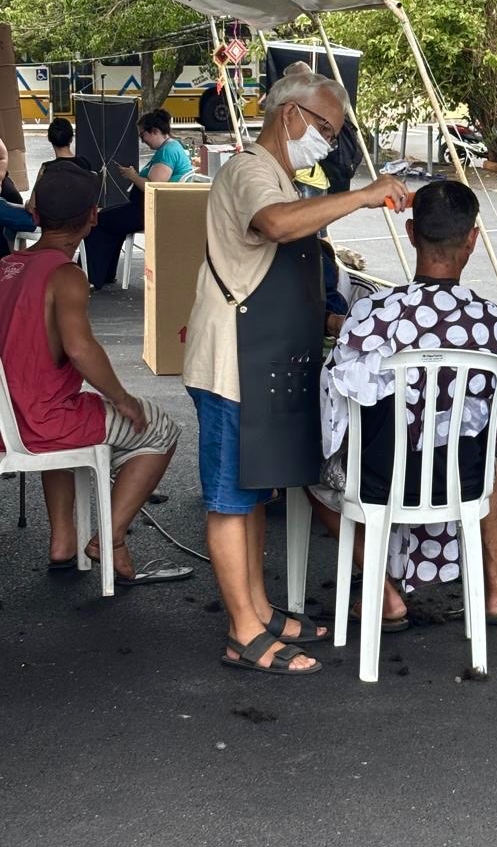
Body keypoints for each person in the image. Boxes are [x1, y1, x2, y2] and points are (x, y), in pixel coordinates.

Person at [182, 71, 409, 676]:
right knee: (230, 500)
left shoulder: (280, 177)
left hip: (260, 359)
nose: (328, 143)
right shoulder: (249, 171)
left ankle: (259, 608)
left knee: (254, 491)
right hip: (231, 361)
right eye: (325, 129)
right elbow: (278, 225)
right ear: (289, 116)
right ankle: (243, 633)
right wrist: (364, 194)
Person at [310, 180, 497, 627]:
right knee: (489, 453)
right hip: (463, 483)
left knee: (309, 474)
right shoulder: (493, 322)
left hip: (381, 483)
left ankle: (385, 594)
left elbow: (335, 409)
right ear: (472, 239)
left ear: (410, 233)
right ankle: (495, 588)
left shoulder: (373, 313)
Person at [0, 162, 188, 583]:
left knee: (59, 418)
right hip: (45, 420)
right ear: (92, 216)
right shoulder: (65, 276)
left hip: (7, 421)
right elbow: (80, 348)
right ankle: (110, 537)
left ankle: (63, 542)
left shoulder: (6, 267)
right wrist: (123, 399)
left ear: (33, 212)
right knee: (161, 429)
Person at [83, 108, 192, 290]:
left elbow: (154, 186)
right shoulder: (171, 147)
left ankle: (93, 275)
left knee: (98, 221)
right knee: (107, 217)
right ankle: (103, 274)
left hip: (150, 210)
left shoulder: (167, 151)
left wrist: (133, 176)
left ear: (154, 131)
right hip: (146, 207)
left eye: (143, 135)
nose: (142, 140)